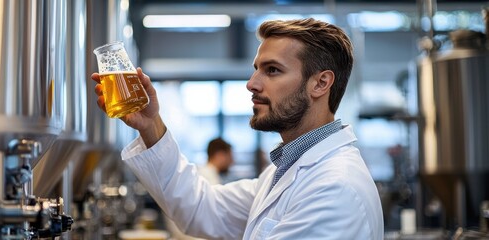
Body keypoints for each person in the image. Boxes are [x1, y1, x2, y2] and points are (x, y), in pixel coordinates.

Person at [92, 18, 383, 239]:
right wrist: (150, 125)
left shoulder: (334, 188)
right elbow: (202, 208)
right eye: (257, 68)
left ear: (320, 83)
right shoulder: (284, 172)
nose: (252, 83)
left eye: (272, 70)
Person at [165, 137, 235, 239]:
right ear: (220, 155)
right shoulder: (209, 179)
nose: (232, 162)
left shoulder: (200, 173)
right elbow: (215, 218)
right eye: (230, 157)